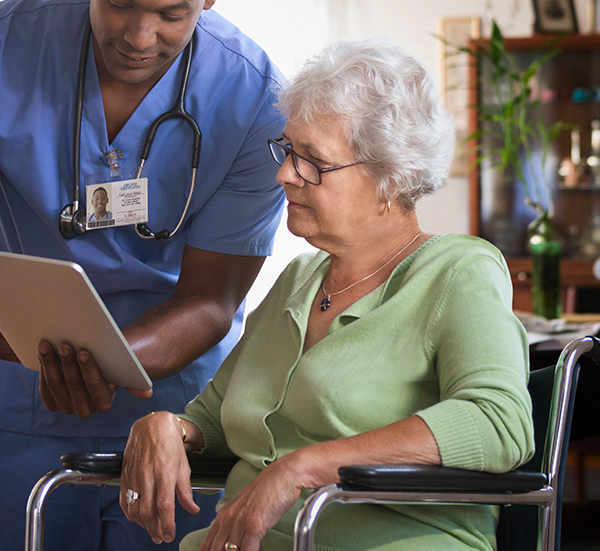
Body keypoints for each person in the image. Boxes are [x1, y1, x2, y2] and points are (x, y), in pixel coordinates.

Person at [0, 0, 286, 549]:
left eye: (173, 13)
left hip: (176, 414)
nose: (139, 36)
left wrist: (107, 362)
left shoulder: (255, 99)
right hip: (22, 398)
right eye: (119, 1)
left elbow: (213, 299)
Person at [118, 37, 535, 551]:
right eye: (288, 150)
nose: (283, 174)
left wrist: (305, 467)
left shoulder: (457, 272)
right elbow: (218, 416)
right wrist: (167, 426)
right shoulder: (299, 278)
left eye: (313, 160)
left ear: (392, 178)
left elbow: (498, 422)